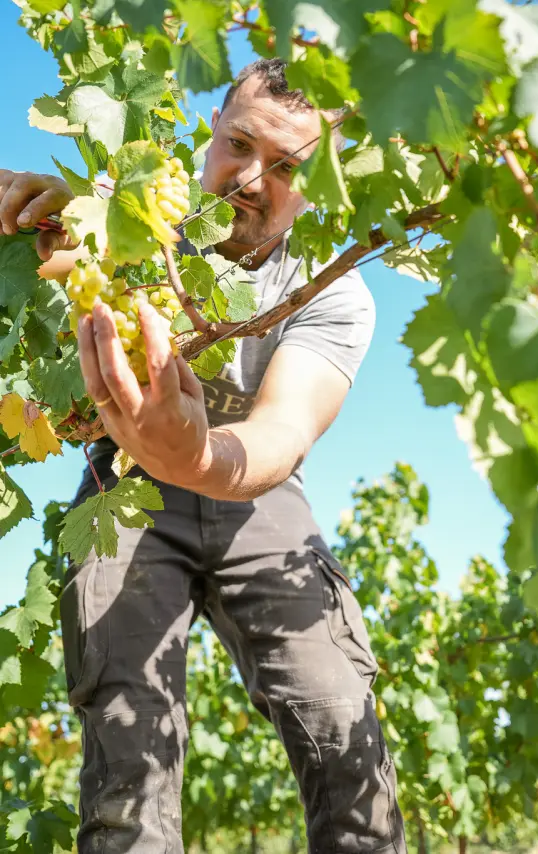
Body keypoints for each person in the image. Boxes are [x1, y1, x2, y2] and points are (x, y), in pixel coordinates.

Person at [0, 58, 406, 853]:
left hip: (260, 499)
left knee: (343, 732)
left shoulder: (333, 291)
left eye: (288, 166)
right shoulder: (130, 225)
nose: (252, 178)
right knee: (128, 762)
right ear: (209, 133)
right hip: (124, 492)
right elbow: (46, 268)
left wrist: (196, 456)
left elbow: (281, 435)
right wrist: (24, 223)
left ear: (319, 182)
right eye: (239, 145)